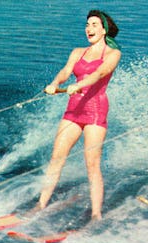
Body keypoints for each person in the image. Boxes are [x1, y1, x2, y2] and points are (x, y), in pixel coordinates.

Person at [39, 10, 121, 220]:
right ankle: (41, 205)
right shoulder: (77, 52)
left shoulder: (113, 54)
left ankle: (96, 214)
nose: (89, 29)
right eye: (87, 25)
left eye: (94, 25)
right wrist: (55, 84)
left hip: (95, 111)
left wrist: (80, 84)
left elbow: (100, 73)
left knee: (92, 164)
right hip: (73, 110)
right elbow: (66, 71)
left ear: (104, 30)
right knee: (56, 158)